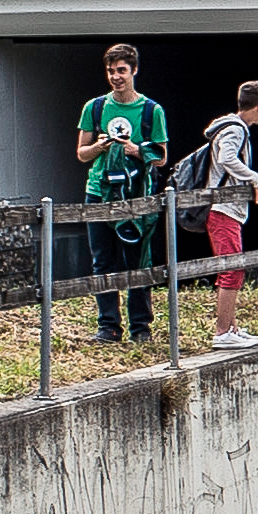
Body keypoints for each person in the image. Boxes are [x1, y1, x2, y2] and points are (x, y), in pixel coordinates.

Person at [75, 43, 169, 343]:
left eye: (121, 71)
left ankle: (140, 328)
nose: (116, 77)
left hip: (135, 194)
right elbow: (81, 153)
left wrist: (136, 150)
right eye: (110, 71)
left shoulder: (151, 110)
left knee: (137, 259)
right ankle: (108, 325)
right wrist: (100, 147)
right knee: (102, 260)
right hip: (99, 191)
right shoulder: (95, 107)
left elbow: (162, 155)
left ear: (134, 71)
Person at [193, 80, 258, 351]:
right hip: (222, 209)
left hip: (227, 210)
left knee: (234, 267)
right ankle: (222, 332)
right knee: (231, 269)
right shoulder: (235, 129)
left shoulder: (230, 126)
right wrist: (254, 177)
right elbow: (227, 158)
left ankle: (231, 328)